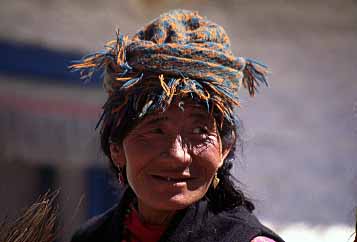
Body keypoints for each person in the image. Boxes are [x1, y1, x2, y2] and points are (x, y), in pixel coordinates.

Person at [69, 9, 285, 242]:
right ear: (116, 149)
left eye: (199, 131)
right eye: (156, 130)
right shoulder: (91, 238)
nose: (178, 156)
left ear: (224, 149)